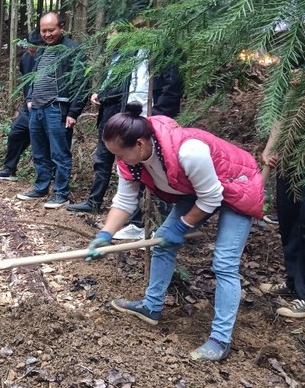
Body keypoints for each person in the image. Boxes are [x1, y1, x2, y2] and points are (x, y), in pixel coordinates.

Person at [86, 102, 263, 361]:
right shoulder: (130, 162)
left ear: (139, 144)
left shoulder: (188, 151)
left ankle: (220, 340)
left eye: (120, 154)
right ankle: (151, 307)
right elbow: (124, 202)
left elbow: (212, 198)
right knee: (162, 245)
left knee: (224, 262)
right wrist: (105, 235)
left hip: (238, 183)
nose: (117, 160)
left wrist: (182, 227)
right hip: (197, 189)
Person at [67, 36, 184, 237]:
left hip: (150, 120)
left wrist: (156, 119)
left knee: (152, 170)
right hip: (126, 117)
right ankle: (134, 220)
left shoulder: (165, 51)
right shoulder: (125, 54)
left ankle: (156, 223)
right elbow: (119, 87)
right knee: (123, 166)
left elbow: (172, 89)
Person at [17, 11, 88, 209]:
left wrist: (74, 112)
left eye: (51, 30)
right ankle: (41, 187)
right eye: (43, 31)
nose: (47, 34)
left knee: (60, 153)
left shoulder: (72, 49)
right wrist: (30, 99)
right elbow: (33, 77)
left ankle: (61, 193)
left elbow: (82, 83)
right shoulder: (40, 50)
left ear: (61, 28)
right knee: (39, 152)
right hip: (37, 109)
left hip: (58, 109)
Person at [260, 120, 305, 318]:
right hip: (290, 153)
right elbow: (284, 112)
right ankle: (293, 280)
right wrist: (272, 146)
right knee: (288, 217)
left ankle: (304, 294)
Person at [0, 34, 43, 181]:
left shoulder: (48, 58)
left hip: (45, 105)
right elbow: (26, 80)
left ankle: (48, 178)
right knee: (16, 133)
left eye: (33, 46)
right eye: (28, 46)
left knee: (44, 142)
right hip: (28, 107)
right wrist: (28, 98)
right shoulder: (26, 58)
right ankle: (9, 168)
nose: (30, 49)